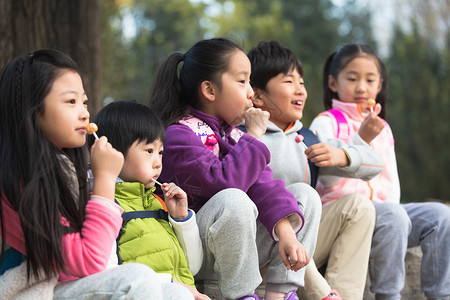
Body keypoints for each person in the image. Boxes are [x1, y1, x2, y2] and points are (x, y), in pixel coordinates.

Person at [0, 49, 192, 299]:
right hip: (43, 290)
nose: (84, 113)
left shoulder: (66, 170)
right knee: (137, 280)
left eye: (84, 102)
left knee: (176, 293)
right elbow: (89, 261)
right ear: (33, 110)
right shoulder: (25, 182)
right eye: (71, 102)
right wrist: (104, 181)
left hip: (74, 283)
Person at [149, 37, 322, 300]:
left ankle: (281, 292)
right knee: (234, 198)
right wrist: (253, 135)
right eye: (242, 81)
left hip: (235, 246)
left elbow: (264, 185)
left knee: (305, 196)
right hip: (194, 253)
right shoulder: (179, 135)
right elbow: (226, 183)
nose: (251, 92)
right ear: (209, 90)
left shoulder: (231, 136)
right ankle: (242, 295)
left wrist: (287, 234)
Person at [310, 43, 450, 300]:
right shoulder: (326, 122)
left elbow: (391, 179)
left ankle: (440, 295)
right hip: (349, 214)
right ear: (333, 83)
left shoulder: (382, 127)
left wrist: (394, 212)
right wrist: (360, 139)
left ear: (379, 85)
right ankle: (388, 295)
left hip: (389, 216)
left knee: (440, 215)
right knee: (395, 214)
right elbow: (326, 173)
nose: (361, 87)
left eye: (369, 79)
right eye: (352, 79)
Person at [248, 40, 382, 300]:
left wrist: (341, 155)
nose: (300, 90)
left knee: (359, 207)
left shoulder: (307, 139)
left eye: (302, 82)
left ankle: (344, 296)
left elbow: (374, 164)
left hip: (300, 250)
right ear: (258, 95)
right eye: (289, 82)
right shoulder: (247, 137)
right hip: (259, 248)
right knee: (296, 200)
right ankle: (323, 296)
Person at [88, 100, 209, 300]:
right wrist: (173, 284)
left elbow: (192, 267)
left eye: (160, 152)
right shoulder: (106, 205)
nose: (157, 162)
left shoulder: (158, 203)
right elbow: (107, 274)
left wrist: (181, 220)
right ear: (114, 153)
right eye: (149, 151)